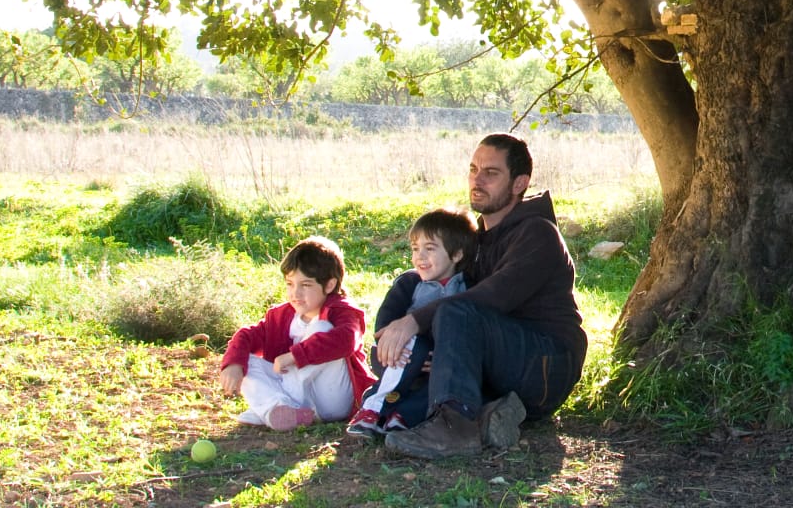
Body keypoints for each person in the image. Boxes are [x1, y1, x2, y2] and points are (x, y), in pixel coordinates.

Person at [375, 133, 586, 458]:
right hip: (502, 360)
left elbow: (491, 298)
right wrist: (417, 347)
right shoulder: (480, 240)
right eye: (474, 170)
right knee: (420, 293)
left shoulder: (538, 233)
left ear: (519, 183)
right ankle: (486, 415)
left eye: (491, 173)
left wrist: (413, 323)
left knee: (455, 312)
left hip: (546, 366)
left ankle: (453, 429)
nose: (477, 180)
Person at [218, 236, 373, 430]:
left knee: (322, 329)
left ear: (329, 285)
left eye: (305, 285)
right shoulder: (281, 316)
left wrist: (295, 356)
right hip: (296, 396)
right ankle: (280, 410)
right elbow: (246, 335)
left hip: (332, 400)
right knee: (244, 360)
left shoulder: (342, 312)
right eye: (290, 284)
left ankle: (268, 408)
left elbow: (346, 340)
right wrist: (233, 364)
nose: (295, 293)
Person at [347, 208, 477, 438]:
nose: (420, 257)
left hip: (437, 362)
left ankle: (403, 416)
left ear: (456, 254)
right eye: (416, 249)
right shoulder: (409, 283)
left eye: (430, 249)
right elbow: (385, 325)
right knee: (413, 345)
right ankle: (372, 408)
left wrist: (444, 356)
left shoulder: (469, 286)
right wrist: (395, 343)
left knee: (440, 386)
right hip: (398, 355)